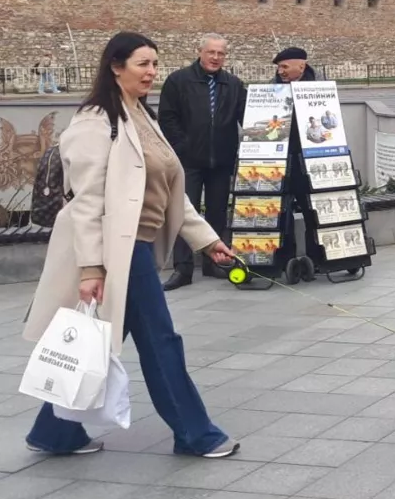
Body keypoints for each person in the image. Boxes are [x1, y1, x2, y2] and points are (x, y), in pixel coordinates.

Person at [22, 31, 242, 459]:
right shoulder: (94, 122)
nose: (152, 72)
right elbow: (86, 202)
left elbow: (169, 191)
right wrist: (90, 269)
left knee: (102, 340)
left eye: (155, 64)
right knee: (161, 341)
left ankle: (54, 431)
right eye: (143, 64)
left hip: (133, 247)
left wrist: (208, 240)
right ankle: (196, 434)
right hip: (117, 252)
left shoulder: (140, 115)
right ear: (116, 67)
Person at [158, 34, 246, 291]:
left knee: (218, 211)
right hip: (188, 161)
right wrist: (183, 147)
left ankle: (213, 262)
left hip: (221, 160)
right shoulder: (178, 81)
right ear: (200, 52)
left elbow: (248, 118)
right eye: (211, 53)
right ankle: (183, 268)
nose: (216, 58)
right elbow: (168, 119)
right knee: (184, 213)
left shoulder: (233, 84)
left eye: (221, 54)